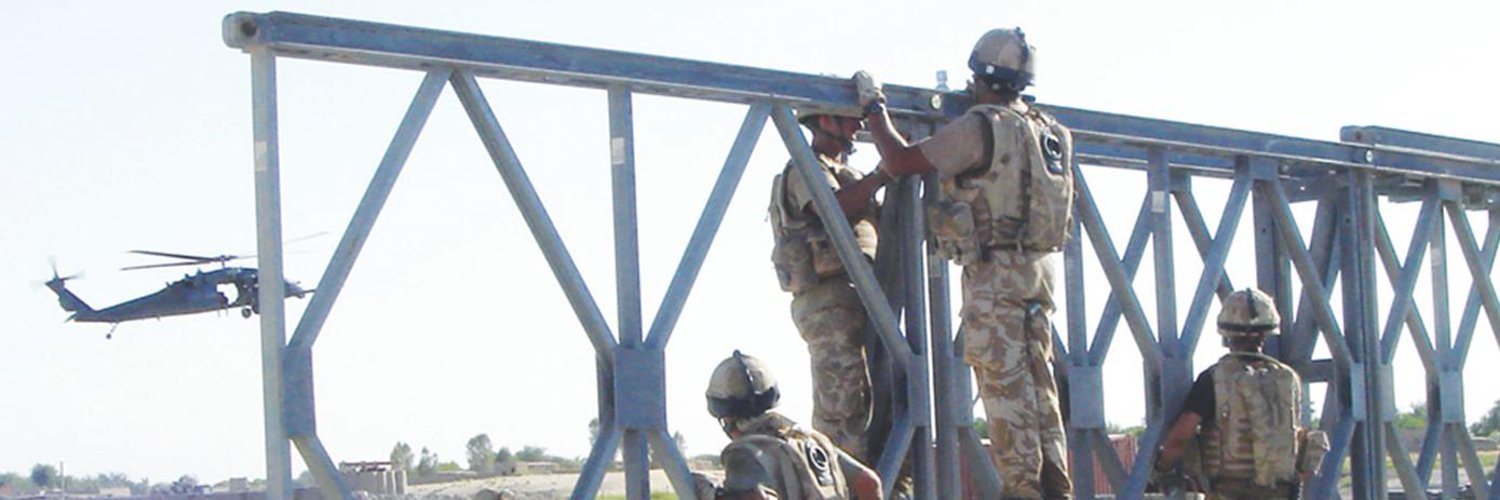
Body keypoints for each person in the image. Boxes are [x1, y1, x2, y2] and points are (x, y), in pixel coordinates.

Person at [855, 28, 1074, 499]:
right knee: (1042, 397)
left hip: (995, 278)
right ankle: (1056, 489)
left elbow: (900, 159)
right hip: (1038, 275)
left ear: (978, 74)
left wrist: (874, 108)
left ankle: (1025, 493)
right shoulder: (1052, 133)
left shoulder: (982, 126)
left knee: (1007, 396)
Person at [768, 107, 887, 463]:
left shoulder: (845, 173)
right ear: (824, 121)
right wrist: (884, 173)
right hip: (828, 305)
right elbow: (832, 209)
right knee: (842, 413)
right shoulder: (806, 167)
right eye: (849, 119)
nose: (857, 127)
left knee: (874, 410)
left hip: (858, 302)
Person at [1153, 289, 1330, 499]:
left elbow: (1182, 434)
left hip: (1229, 491)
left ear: (1225, 334)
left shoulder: (1214, 378)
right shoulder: (1288, 378)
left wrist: (1161, 468)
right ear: (1266, 333)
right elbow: (1296, 438)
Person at [694, 350, 884, 500]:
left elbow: (756, 498)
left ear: (723, 415)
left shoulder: (744, 452)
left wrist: (712, 493)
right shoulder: (811, 441)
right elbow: (869, 483)